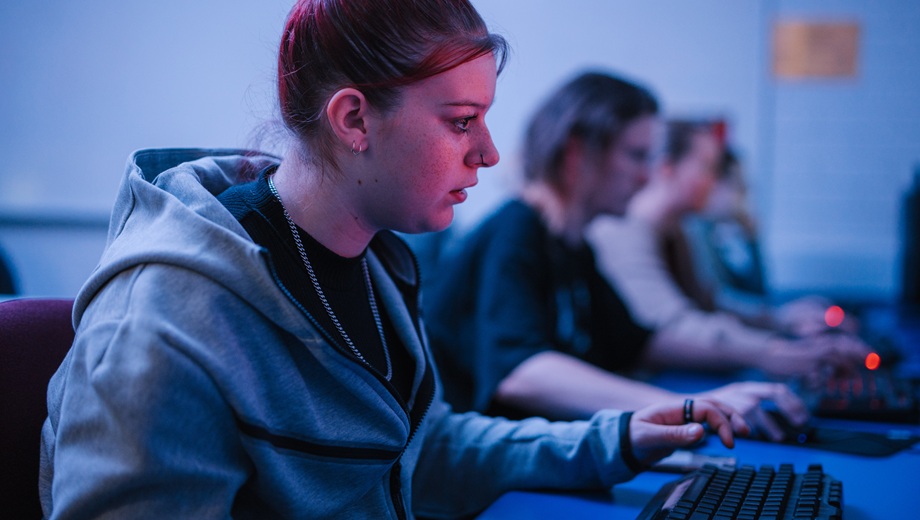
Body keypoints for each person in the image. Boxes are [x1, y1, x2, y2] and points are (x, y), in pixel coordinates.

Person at [38, 2, 749, 518]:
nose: (491, 153)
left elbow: (424, 450)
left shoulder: (376, 261)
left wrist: (613, 439)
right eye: (461, 121)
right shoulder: (162, 325)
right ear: (353, 120)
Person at [423, 71, 857, 444]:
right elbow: (522, 372)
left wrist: (771, 356)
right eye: (635, 155)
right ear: (578, 152)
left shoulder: (572, 246)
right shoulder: (515, 232)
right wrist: (688, 406)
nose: (648, 175)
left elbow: (639, 340)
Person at [586, 120, 870, 382]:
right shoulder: (624, 230)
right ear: (667, 167)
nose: (714, 180)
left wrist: (783, 320)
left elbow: (709, 302)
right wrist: (773, 351)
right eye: (707, 167)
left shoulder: (676, 231)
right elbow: (672, 324)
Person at [679, 145, 860, 337]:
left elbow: (758, 291)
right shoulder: (694, 229)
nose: (744, 192)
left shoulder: (720, 233)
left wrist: (751, 238)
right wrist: (781, 316)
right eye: (738, 184)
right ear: (714, 184)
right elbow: (718, 301)